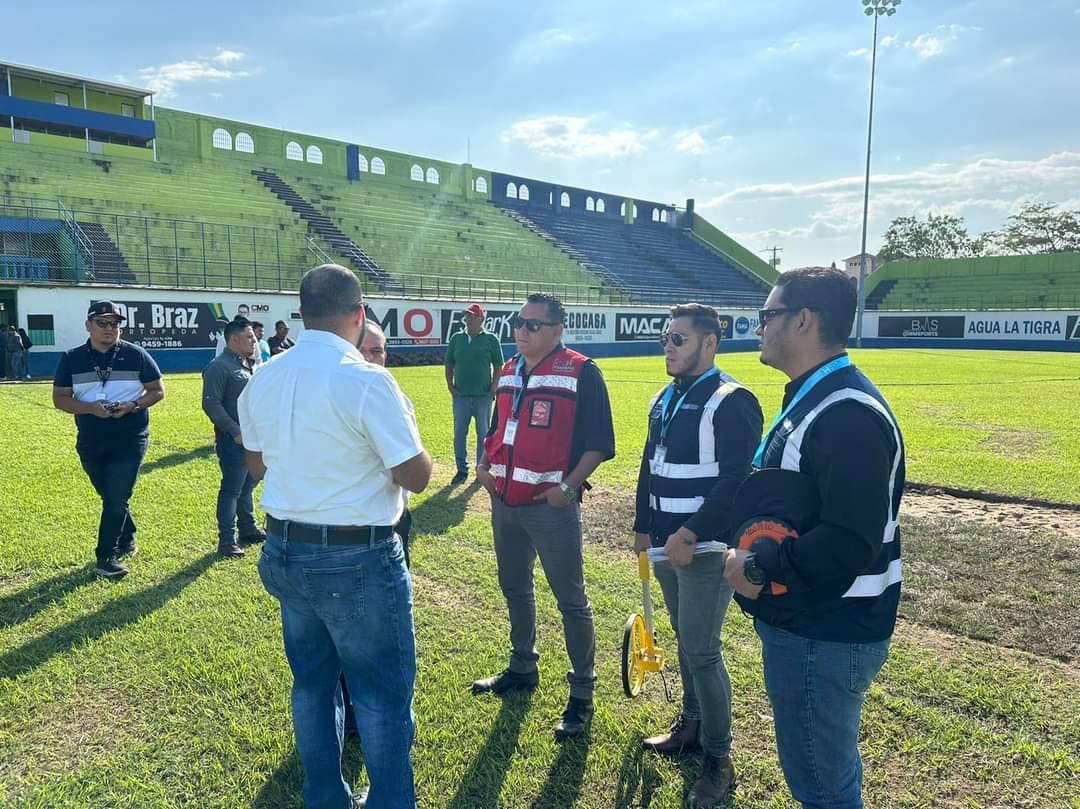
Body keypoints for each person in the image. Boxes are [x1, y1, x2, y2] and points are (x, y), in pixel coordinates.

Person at [239, 264, 431, 809]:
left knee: (313, 684)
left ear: (301, 314)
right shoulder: (367, 379)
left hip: (284, 549)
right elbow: (414, 475)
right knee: (381, 695)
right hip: (356, 555)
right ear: (359, 314)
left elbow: (256, 467)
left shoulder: (266, 375)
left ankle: (325, 795)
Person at [723, 267, 905, 809]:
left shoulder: (845, 412)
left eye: (767, 315)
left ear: (803, 320)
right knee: (823, 776)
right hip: (813, 624)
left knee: (824, 788)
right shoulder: (817, 396)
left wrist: (758, 568)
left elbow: (850, 541)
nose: (758, 327)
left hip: (826, 630)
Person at [633, 303, 763, 806]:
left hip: (703, 545)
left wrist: (690, 533)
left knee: (703, 650)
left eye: (679, 339)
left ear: (710, 343)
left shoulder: (733, 399)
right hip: (667, 543)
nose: (668, 346)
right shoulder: (664, 397)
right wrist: (644, 527)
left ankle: (719, 759)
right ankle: (691, 724)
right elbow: (650, 465)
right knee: (687, 643)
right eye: (666, 338)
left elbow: (736, 480)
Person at [472, 293, 615, 740]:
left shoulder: (581, 370)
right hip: (505, 501)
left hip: (550, 508)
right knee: (514, 586)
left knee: (570, 600)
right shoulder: (510, 369)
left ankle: (582, 693)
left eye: (533, 325)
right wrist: (482, 465)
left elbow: (599, 441)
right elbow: (497, 428)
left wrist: (569, 487)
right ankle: (522, 666)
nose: (522, 330)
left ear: (557, 330)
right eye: (519, 322)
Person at [52, 301, 165, 578]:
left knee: (116, 497)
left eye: (114, 323)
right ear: (89, 325)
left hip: (130, 437)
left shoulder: (136, 355)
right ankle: (127, 535)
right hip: (91, 439)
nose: (109, 329)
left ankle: (106, 557)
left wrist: (134, 405)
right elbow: (60, 399)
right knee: (110, 495)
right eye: (102, 323)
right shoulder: (71, 358)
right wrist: (91, 408)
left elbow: (157, 390)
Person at [202, 318, 265, 558]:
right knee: (231, 489)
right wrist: (234, 431)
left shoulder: (246, 364)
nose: (255, 340)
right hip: (234, 441)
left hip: (253, 439)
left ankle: (247, 529)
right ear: (234, 339)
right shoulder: (219, 366)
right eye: (249, 337)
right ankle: (226, 540)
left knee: (247, 485)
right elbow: (211, 404)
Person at [445, 303, 503, 485]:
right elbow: (449, 363)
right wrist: (450, 387)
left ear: (481, 319)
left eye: (472, 316)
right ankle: (462, 470)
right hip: (461, 396)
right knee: (459, 433)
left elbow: (498, 365)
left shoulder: (491, 339)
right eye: (467, 316)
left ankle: (481, 469)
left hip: (483, 396)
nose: (468, 319)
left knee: (483, 434)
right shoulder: (456, 338)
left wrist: (494, 387)